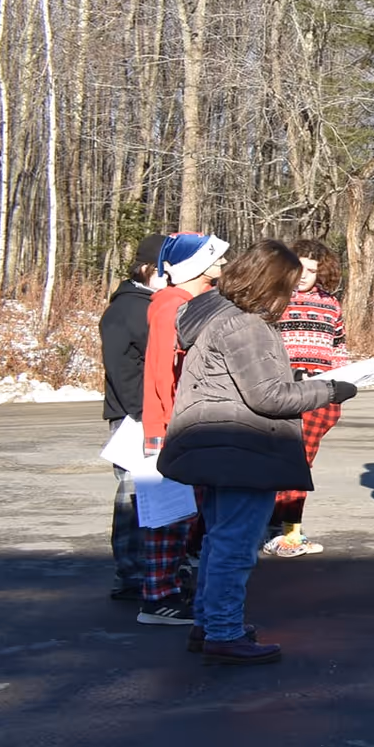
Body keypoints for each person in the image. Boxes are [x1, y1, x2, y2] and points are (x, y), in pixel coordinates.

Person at [159, 240, 360, 663]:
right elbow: (268, 396)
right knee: (236, 544)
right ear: (268, 284)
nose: (290, 296)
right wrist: (330, 388)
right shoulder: (246, 325)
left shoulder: (218, 317)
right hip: (240, 446)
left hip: (218, 442)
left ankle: (210, 622)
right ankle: (224, 632)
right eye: (287, 287)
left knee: (219, 540)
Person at [136, 231, 230, 626]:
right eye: (215, 259)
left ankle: (171, 587)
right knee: (168, 514)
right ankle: (157, 598)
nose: (223, 265)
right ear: (194, 265)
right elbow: (160, 370)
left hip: (186, 422)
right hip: (173, 425)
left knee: (183, 513)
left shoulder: (190, 302)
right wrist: (163, 427)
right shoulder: (171, 304)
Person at [264, 237, 348, 557]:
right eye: (300, 267)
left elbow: (338, 347)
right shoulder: (274, 298)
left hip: (320, 394)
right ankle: (278, 530)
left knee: (301, 465)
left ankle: (287, 531)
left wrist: (339, 387)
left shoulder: (331, 303)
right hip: (282, 391)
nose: (304, 275)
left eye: (312, 270)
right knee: (282, 465)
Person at [99, 233, 166, 602]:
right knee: (134, 495)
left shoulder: (145, 304)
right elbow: (121, 369)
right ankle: (131, 571)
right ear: (146, 269)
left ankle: (141, 569)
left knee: (145, 494)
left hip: (141, 414)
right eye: (162, 272)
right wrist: (140, 415)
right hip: (133, 417)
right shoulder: (129, 308)